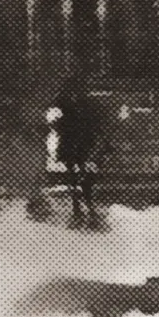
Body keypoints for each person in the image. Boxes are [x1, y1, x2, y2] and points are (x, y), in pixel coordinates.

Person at [53, 87, 105, 227]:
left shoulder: (81, 106)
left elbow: (93, 126)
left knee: (80, 175)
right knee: (76, 176)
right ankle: (80, 206)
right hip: (74, 144)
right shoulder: (72, 105)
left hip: (79, 144)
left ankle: (83, 206)